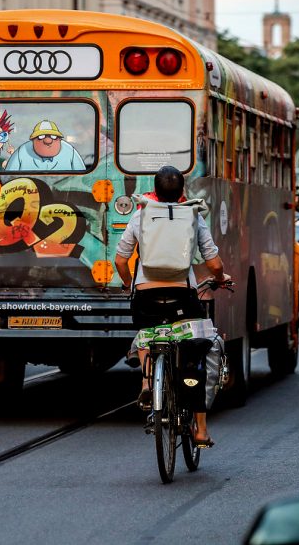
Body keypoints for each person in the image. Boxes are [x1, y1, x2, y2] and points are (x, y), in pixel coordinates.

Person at [114, 165, 228, 448]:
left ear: (155, 188)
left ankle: (147, 382)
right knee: (195, 353)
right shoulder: (192, 216)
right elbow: (214, 262)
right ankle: (201, 429)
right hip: (182, 296)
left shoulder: (140, 215)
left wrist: (131, 283)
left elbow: (120, 259)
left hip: (146, 296)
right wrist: (220, 278)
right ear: (181, 191)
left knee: (147, 333)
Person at [5, 120, 86, 171]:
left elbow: (82, 173)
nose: (48, 140)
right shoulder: (21, 152)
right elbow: (8, 176)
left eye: (53, 136)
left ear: (59, 139)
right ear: (33, 140)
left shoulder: (70, 152)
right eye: (41, 137)